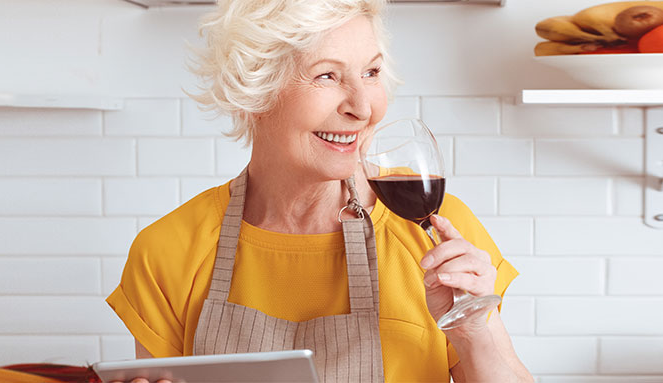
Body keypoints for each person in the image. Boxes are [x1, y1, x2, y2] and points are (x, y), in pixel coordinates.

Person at [104, 0, 532, 381]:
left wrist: (475, 329)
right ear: (254, 91)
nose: (363, 108)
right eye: (327, 75)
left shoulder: (436, 235)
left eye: (371, 72)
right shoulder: (168, 250)